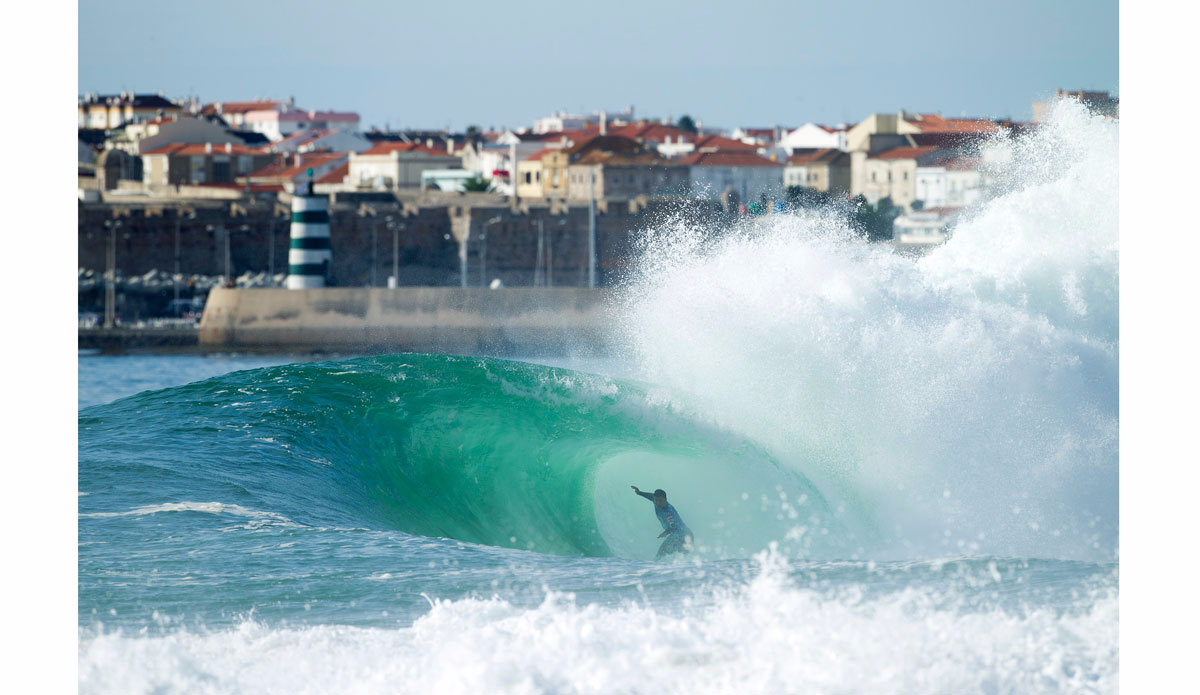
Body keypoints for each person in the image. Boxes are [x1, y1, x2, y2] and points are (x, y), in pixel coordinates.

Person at [631, 486, 693, 559]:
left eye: (660, 500)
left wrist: (665, 533)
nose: (658, 503)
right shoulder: (656, 501)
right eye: (656, 500)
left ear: (665, 500)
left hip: (683, 536)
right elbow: (650, 496)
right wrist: (639, 493)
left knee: (660, 556)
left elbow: (672, 526)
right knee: (672, 559)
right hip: (682, 535)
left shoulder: (668, 512)